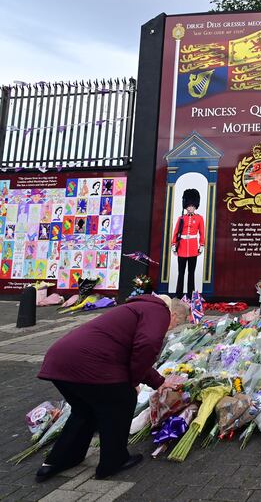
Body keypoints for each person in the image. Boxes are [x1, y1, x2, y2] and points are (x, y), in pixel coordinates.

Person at [35, 293, 173, 481]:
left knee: (84, 410)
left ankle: (57, 461)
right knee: (121, 401)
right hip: (88, 364)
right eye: (176, 322)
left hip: (60, 360)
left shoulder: (134, 308)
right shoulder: (159, 310)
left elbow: (130, 353)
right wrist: (133, 382)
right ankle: (113, 462)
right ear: (173, 314)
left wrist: (159, 382)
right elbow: (146, 346)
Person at [171, 188, 205, 299]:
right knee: (181, 273)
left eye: (192, 206)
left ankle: (191, 295)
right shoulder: (181, 218)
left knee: (191, 273)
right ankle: (179, 294)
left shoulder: (199, 218)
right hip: (181, 248)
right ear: (186, 206)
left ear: (195, 206)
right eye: (189, 206)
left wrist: (202, 245)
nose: (190, 208)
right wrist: (173, 245)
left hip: (193, 249)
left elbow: (202, 233)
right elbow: (176, 232)